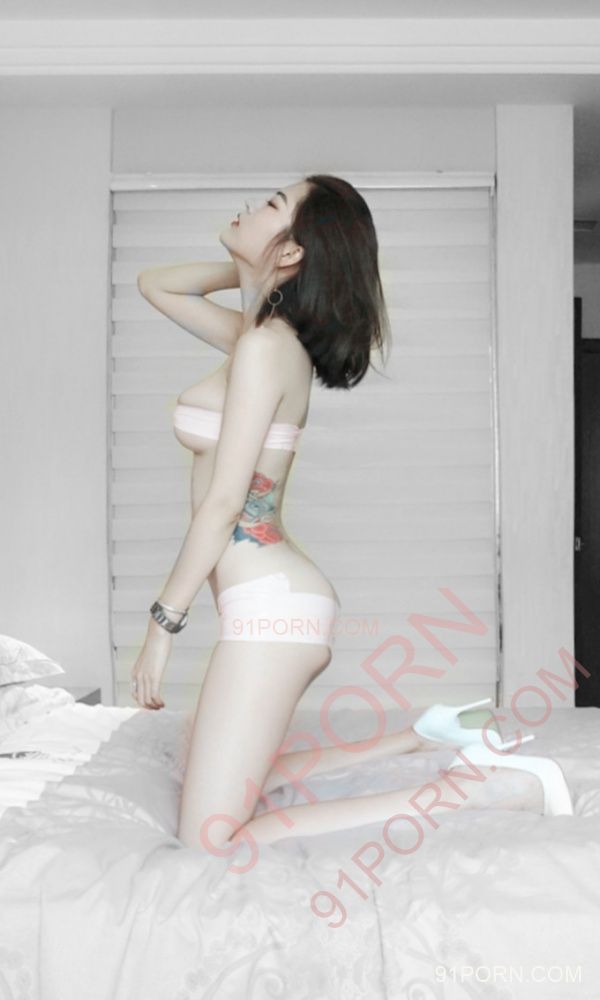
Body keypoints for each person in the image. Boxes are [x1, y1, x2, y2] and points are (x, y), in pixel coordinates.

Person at [133, 175, 567, 852]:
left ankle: (487, 788)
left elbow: (223, 502)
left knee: (209, 840)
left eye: (272, 205)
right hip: (272, 598)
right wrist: (260, 266)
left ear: (293, 251)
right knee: (225, 782)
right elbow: (156, 284)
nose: (251, 205)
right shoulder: (259, 337)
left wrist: (163, 625)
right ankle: (424, 736)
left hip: (272, 609)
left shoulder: (265, 348)